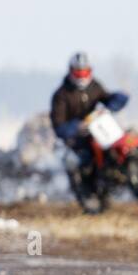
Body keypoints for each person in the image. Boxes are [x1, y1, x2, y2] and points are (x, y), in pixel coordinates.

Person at [49, 52, 128, 199]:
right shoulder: (61, 95)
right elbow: (58, 125)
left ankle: (119, 172)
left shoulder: (94, 86)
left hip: (97, 129)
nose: (81, 76)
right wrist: (76, 126)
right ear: (71, 71)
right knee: (85, 162)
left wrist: (118, 99)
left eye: (84, 72)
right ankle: (89, 189)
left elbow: (107, 98)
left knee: (114, 146)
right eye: (78, 72)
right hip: (76, 137)